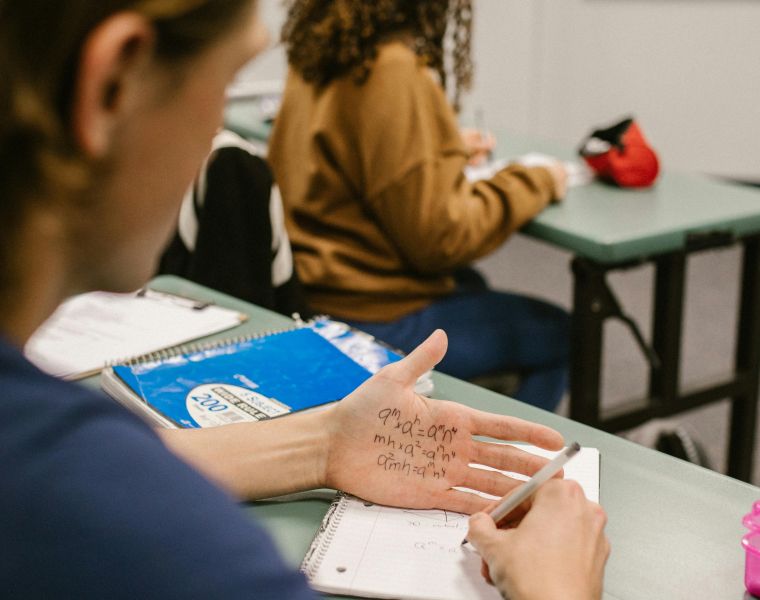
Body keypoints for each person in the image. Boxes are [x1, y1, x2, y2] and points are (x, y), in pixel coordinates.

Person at [0, 1, 607, 598]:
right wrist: (558, 587)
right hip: (377, 304)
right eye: (227, 80)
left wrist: (324, 446)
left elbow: (117, 467)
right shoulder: (175, 554)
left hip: (324, 298)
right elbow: (437, 235)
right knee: (551, 327)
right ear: (114, 86)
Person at [268, 0, 571, 411]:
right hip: (374, 317)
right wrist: (537, 181)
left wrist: (439, 149)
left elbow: (350, 153)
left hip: (312, 293)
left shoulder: (321, 51)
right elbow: (443, 239)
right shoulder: (392, 68)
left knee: (472, 284)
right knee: (563, 332)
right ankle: (501, 447)